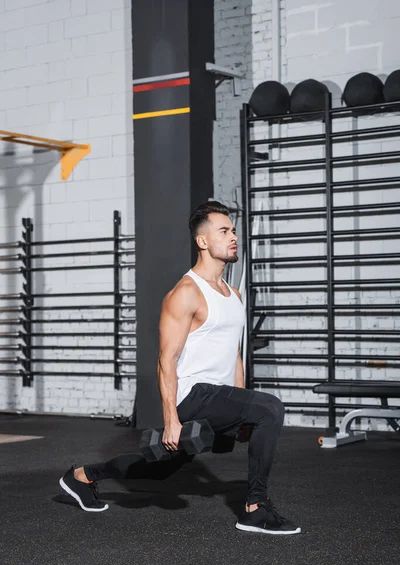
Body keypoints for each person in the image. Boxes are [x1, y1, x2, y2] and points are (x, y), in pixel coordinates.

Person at [59, 201, 300, 535]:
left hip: (219, 396)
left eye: (233, 230)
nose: (233, 237)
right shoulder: (185, 293)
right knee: (271, 408)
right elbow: (166, 359)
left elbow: (235, 355)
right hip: (193, 395)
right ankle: (255, 508)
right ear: (203, 242)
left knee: (157, 470)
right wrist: (171, 418)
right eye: (224, 231)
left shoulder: (234, 294)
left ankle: (82, 476)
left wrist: (243, 406)